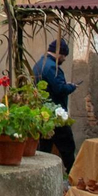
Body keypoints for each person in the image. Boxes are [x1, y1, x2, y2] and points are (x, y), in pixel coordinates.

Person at [33, 39, 78, 172]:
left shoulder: (39, 64)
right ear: (60, 54)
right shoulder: (53, 67)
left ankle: (42, 174)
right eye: (64, 56)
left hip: (43, 114)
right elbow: (60, 89)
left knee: (44, 149)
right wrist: (71, 87)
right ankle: (73, 176)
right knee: (68, 147)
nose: (64, 59)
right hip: (56, 115)